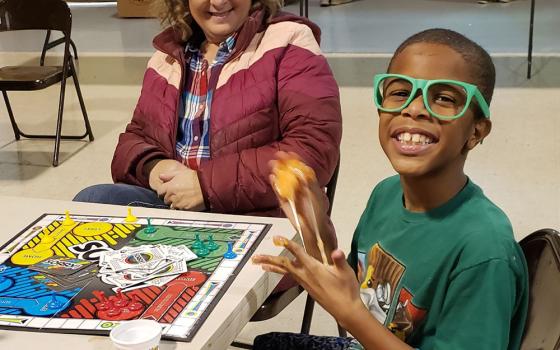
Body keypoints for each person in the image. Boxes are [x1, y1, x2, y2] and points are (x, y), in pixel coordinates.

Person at [252, 28, 528, 350]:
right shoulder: (385, 194)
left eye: (443, 98)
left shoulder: (484, 250)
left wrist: (351, 313)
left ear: (477, 130)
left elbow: (353, 312)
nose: (414, 109)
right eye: (400, 93)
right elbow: (358, 300)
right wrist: (314, 225)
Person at [73, 0, 342, 218]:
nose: (218, 2)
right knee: (91, 202)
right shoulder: (167, 56)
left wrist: (205, 186)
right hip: (177, 212)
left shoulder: (289, 42)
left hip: (258, 215)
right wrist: (153, 167)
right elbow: (133, 140)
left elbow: (313, 151)